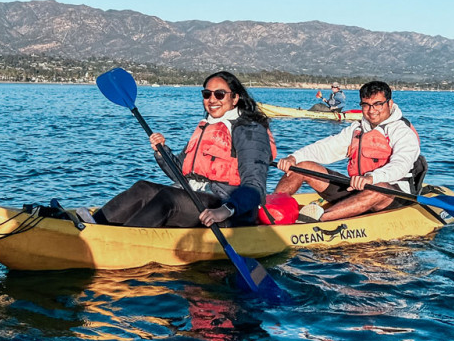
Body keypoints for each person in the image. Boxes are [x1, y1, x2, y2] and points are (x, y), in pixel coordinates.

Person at [90, 71, 275, 228]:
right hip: (195, 195)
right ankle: (93, 225)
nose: (212, 100)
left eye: (219, 94)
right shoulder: (207, 126)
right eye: (207, 94)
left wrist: (225, 210)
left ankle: (121, 239)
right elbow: (179, 172)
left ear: (235, 98)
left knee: (169, 197)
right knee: (143, 188)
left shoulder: (249, 129)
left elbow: (255, 186)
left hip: (229, 208)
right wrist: (162, 152)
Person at [273, 80, 424, 222]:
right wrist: (293, 158)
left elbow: (401, 165)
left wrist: (371, 178)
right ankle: (272, 209)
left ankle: (318, 221)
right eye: (366, 105)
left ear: (389, 104)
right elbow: (327, 147)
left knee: (378, 188)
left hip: (392, 196)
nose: (372, 111)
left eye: (378, 104)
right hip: (357, 189)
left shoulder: (403, 132)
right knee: (302, 166)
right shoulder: (357, 129)